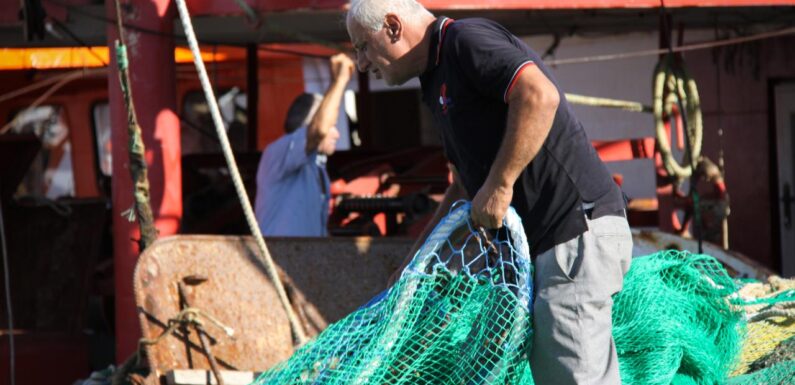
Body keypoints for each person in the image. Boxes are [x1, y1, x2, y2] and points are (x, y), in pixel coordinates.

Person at [346, 1, 632, 384]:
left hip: (574, 229)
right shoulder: (434, 79)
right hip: (551, 244)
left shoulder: (465, 40)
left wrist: (500, 186)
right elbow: (465, 188)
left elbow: (537, 96)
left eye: (362, 46)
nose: (361, 63)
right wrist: (413, 265)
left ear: (393, 27)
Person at [254, 53, 355, 236]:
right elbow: (319, 131)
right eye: (332, 125)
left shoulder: (316, 168)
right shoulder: (278, 151)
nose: (336, 133)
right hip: (275, 259)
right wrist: (340, 80)